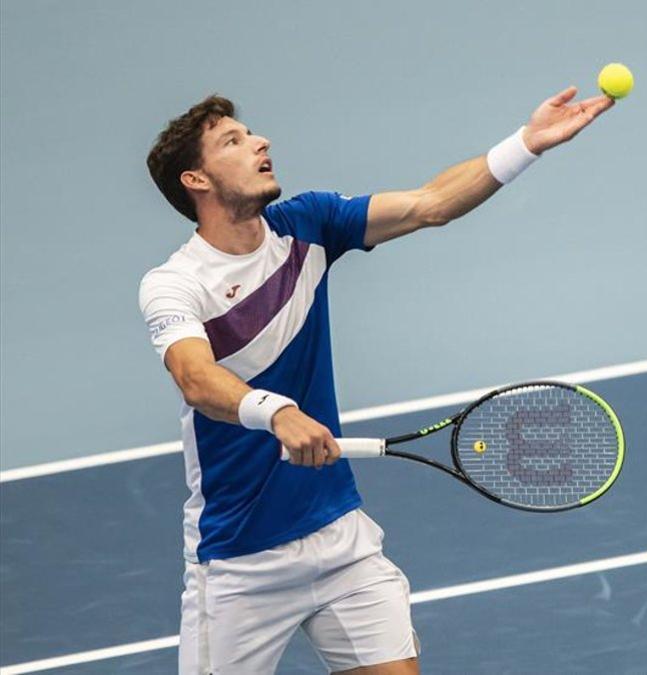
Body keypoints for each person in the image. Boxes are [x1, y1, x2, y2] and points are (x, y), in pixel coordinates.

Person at [139, 87, 614, 674]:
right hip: (241, 562)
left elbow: (431, 203)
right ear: (197, 180)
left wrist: (527, 143)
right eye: (232, 141)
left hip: (340, 538)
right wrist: (277, 413)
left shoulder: (308, 224)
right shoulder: (174, 284)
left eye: (250, 132)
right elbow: (194, 377)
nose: (260, 141)